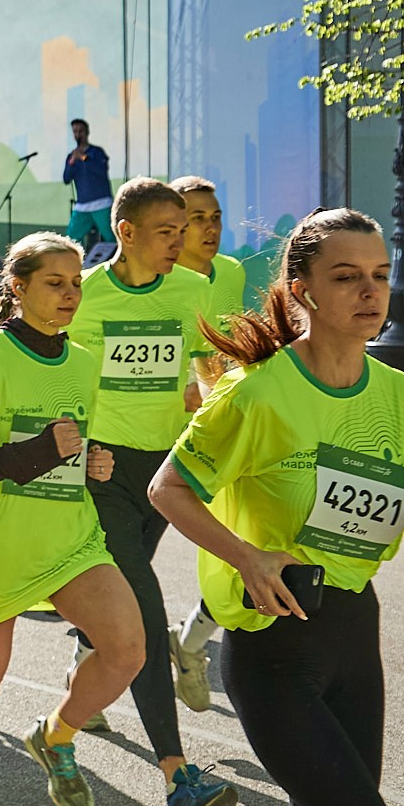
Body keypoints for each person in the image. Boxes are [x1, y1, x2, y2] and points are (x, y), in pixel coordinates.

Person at [151, 208, 404, 806]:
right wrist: (247, 555)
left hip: (355, 636)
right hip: (275, 643)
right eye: (347, 277)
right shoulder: (257, 392)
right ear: (303, 289)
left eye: (381, 276)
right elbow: (168, 488)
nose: (371, 291)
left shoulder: (403, 397)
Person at [0, 232, 144, 806]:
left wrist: (93, 461)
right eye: (56, 282)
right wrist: (46, 450)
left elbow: (79, 443)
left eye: (77, 282)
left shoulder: (81, 361)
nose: (71, 293)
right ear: (17, 288)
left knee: (128, 650)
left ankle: (57, 733)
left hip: (71, 540)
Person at [64, 177, 238, 806]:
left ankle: (62, 715)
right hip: (104, 470)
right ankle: (177, 776)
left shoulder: (193, 291)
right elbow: (56, 377)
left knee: (118, 621)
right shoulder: (86, 296)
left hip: (166, 474)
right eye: (169, 229)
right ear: (127, 233)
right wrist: (78, 451)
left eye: (186, 227)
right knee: (141, 609)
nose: (183, 239)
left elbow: (209, 373)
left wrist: (209, 404)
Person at [165, 175, 251, 712]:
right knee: (127, 563)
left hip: (226, 432)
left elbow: (230, 351)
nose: (209, 228)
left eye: (215, 217)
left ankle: (190, 644)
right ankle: (91, 674)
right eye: (197, 218)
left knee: (243, 546)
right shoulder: (159, 279)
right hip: (154, 441)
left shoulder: (233, 273)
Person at [63, 119, 113, 249]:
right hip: (83, 205)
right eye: (75, 132)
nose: (78, 135)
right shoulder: (72, 155)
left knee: (111, 237)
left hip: (101, 202)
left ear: (87, 132)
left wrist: (84, 158)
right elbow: (66, 179)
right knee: (70, 239)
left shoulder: (96, 152)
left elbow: (101, 171)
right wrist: (72, 162)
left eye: (80, 131)